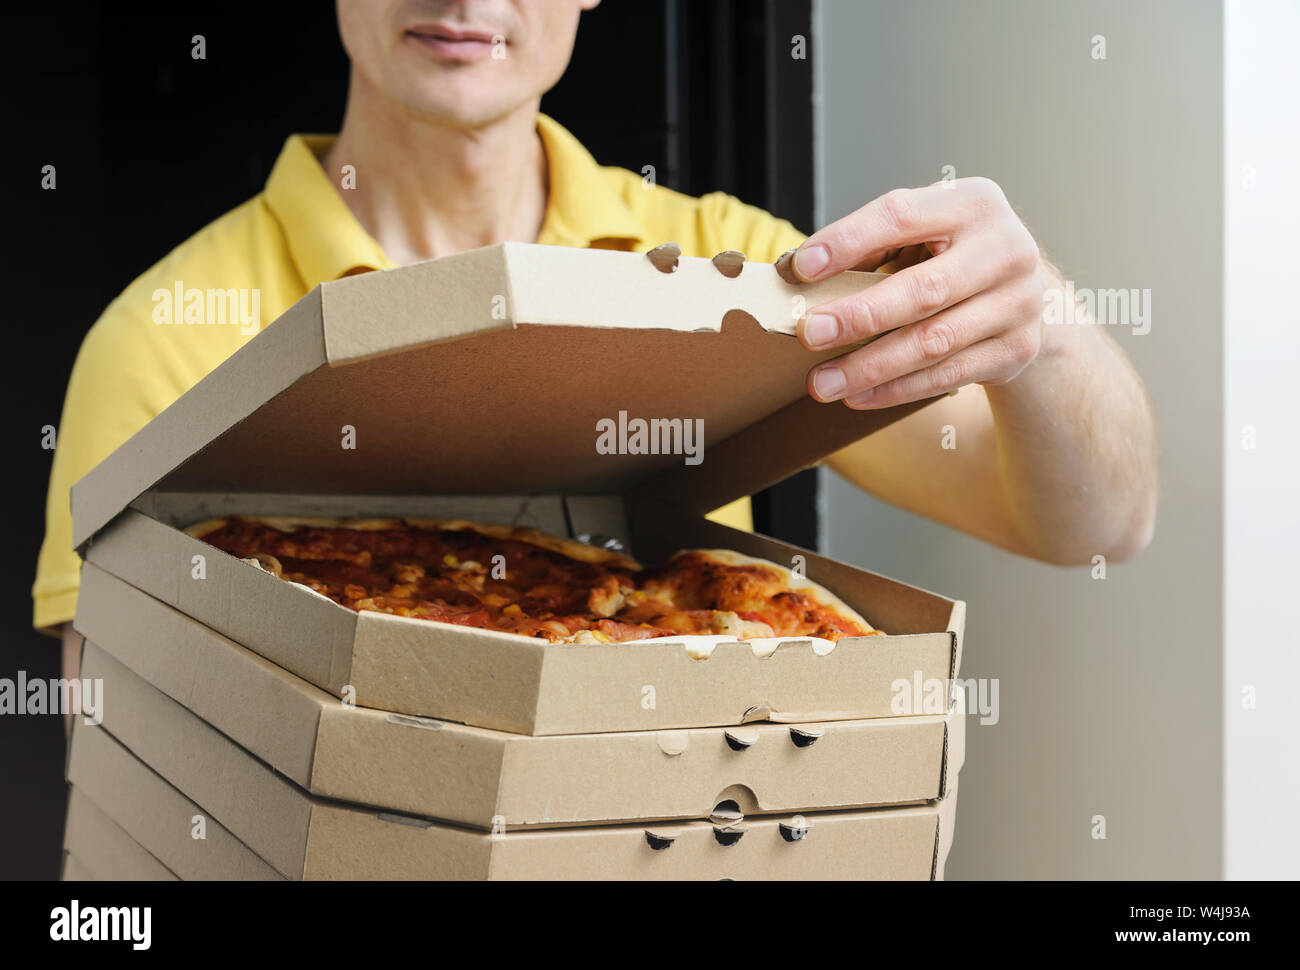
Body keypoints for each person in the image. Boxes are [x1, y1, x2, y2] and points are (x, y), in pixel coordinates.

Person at [35, 0, 1158, 692]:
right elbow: (131, 753)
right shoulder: (164, 333)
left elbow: (1096, 527)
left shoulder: (738, 269)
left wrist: (1039, 327)